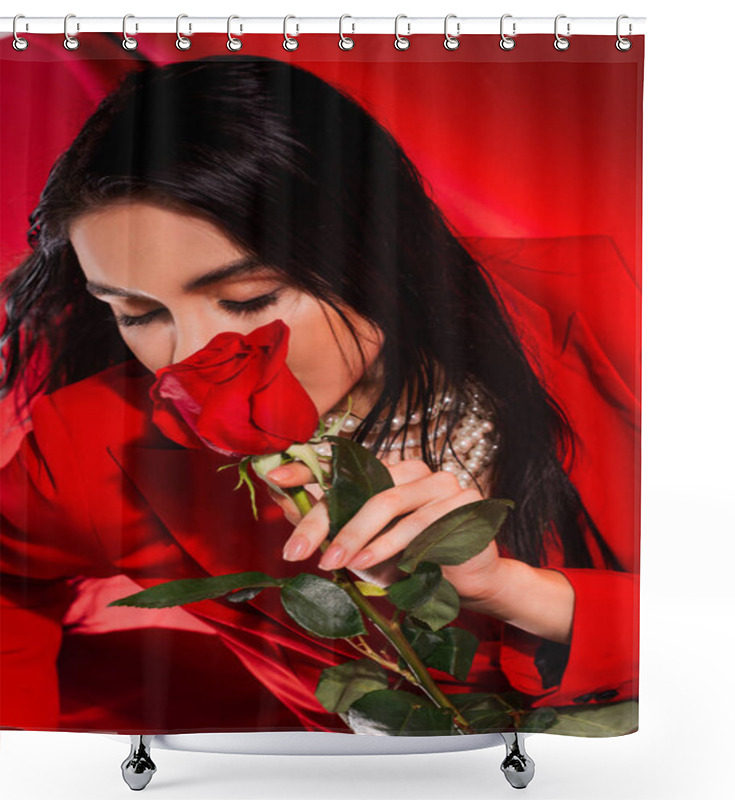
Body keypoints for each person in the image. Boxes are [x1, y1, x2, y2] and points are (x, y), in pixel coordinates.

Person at [0, 55, 638, 733]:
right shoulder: (95, 442)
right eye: (138, 313)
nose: (185, 360)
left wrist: (519, 593)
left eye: (249, 298)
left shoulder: (619, 313)